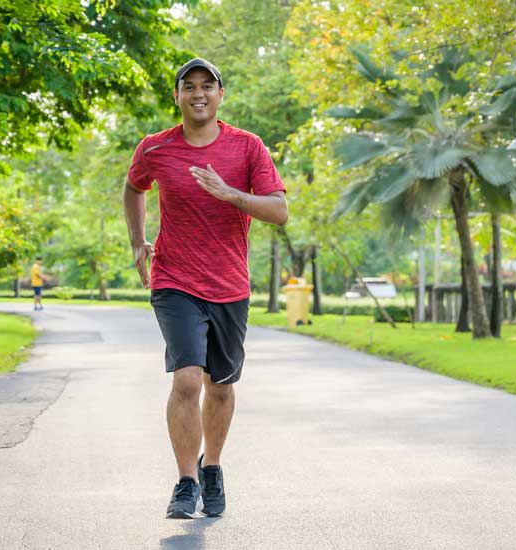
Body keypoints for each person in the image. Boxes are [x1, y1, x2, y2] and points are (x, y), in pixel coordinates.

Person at [123, 57, 288, 519]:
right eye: (188, 86)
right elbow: (134, 188)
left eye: (207, 86)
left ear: (220, 95)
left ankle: (211, 466)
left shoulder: (248, 148)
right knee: (188, 378)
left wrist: (230, 194)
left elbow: (279, 211)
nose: (198, 93)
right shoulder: (155, 149)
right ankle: (185, 481)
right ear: (176, 95)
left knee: (220, 386)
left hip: (230, 284)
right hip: (174, 279)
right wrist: (139, 243)